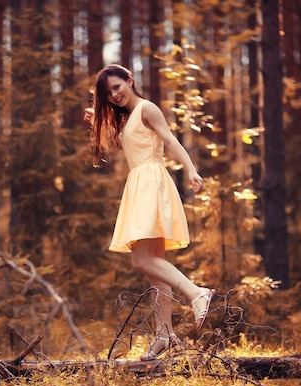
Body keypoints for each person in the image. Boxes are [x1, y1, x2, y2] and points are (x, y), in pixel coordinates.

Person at [83, 64, 214, 361]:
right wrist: (98, 123)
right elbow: (121, 144)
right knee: (155, 268)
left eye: (117, 87)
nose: (114, 95)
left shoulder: (147, 108)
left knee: (141, 259)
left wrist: (191, 169)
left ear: (130, 80)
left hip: (150, 181)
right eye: (108, 93)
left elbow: (170, 140)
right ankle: (163, 334)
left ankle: (196, 293)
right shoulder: (128, 117)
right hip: (141, 182)